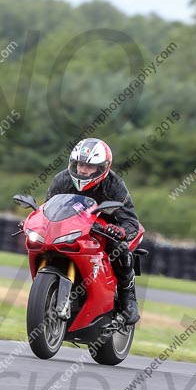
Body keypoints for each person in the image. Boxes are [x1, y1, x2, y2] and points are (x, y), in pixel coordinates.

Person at [46, 138, 141, 324]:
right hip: (72, 228)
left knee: (120, 248)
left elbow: (131, 220)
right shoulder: (62, 179)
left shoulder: (114, 185)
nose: (82, 170)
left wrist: (120, 231)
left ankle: (127, 298)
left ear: (101, 168)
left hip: (104, 229)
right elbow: (48, 209)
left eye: (89, 167)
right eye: (80, 164)